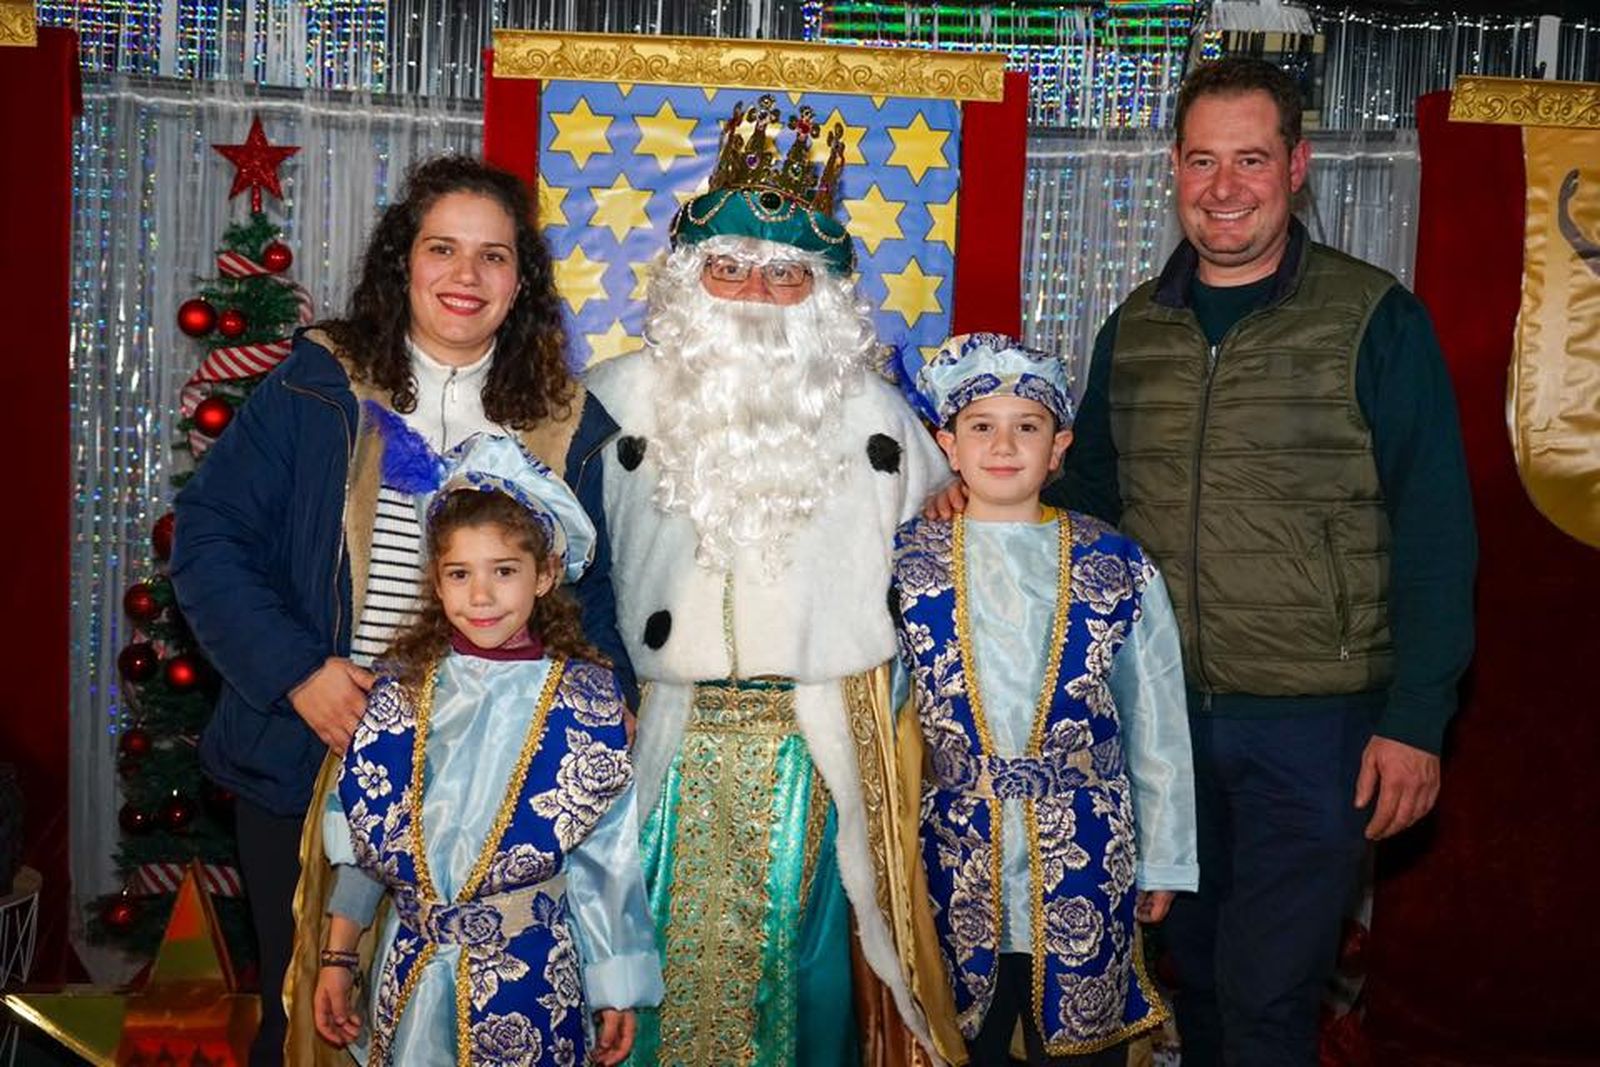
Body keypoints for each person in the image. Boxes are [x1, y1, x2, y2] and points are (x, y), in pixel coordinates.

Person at [1026, 57, 1475, 1066]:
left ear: (1297, 166)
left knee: (1269, 996)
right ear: (1172, 171)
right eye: (1200, 160)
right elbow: (1089, 502)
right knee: (1194, 978)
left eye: (1250, 159)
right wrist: (983, 504)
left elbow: (1437, 529)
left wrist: (1415, 719)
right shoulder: (1136, 328)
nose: (1223, 187)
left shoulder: (1374, 319)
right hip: (1162, 723)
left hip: (1314, 728)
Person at [170, 154, 633, 1066]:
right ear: (403, 263)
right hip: (318, 748)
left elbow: (596, 601)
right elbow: (209, 538)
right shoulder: (319, 386)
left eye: (494, 256)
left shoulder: (569, 422)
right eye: (443, 248)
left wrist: (599, 726)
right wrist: (298, 674)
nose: (466, 276)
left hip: (499, 787)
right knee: (312, 1016)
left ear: (522, 281)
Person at [583, 96, 948, 1064]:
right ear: (688, 280)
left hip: (815, 744)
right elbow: (547, 565)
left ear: (824, 293)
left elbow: (944, 569)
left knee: (811, 976)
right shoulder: (612, 400)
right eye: (730, 266)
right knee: (637, 964)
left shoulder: (876, 414)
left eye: (787, 274)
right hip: (655, 733)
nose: (753, 292)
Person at [891, 334, 1198, 1067]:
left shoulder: (1114, 564)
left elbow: (1155, 719)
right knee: (968, 1040)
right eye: (981, 427)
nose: (1004, 445)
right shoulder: (906, 563)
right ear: (948, 444)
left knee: (1082, 1047)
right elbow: (881, 716)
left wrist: (1164, 858)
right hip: (952, 856)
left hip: (1086, 851)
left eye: (1026, 426)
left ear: (1059, 446)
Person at [310, 432, 661, 1066]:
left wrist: (616, 990)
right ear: (436, 583)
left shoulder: (585, 706)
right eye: (459, 574)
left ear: (545, 574)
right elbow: (365, 846)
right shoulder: (398, 695)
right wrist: (339, 955)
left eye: (504, 571)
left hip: (532, 980)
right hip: (412, 972)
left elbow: (605, 864)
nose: (481, 595)